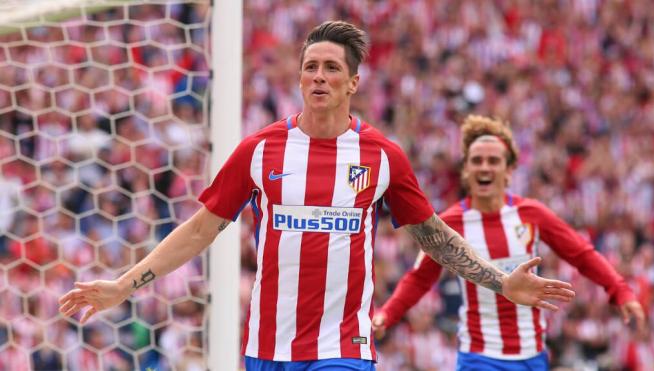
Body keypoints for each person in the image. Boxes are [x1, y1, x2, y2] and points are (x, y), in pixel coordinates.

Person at [59, 22, 575, 370]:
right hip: (268, 346)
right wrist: (123, 286)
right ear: (299, 76)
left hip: (344, 345)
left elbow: (434, 236)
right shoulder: (260, 150)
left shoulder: (382, 155)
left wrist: (501, 282)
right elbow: (200, 230)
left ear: (353, 81)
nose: (319, 76)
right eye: (310, 66)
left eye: (331, 68)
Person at [372, 115, 646, 370]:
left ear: (509, 169)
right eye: (477, 161)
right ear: (466, 169)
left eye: (493, 161)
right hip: (478, 356)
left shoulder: (532, 213)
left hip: (532, 354)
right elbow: (420, 278)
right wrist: (388, 314)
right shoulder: (450, 223)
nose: (485, 167)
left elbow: (582, 255)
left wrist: (620, 291)